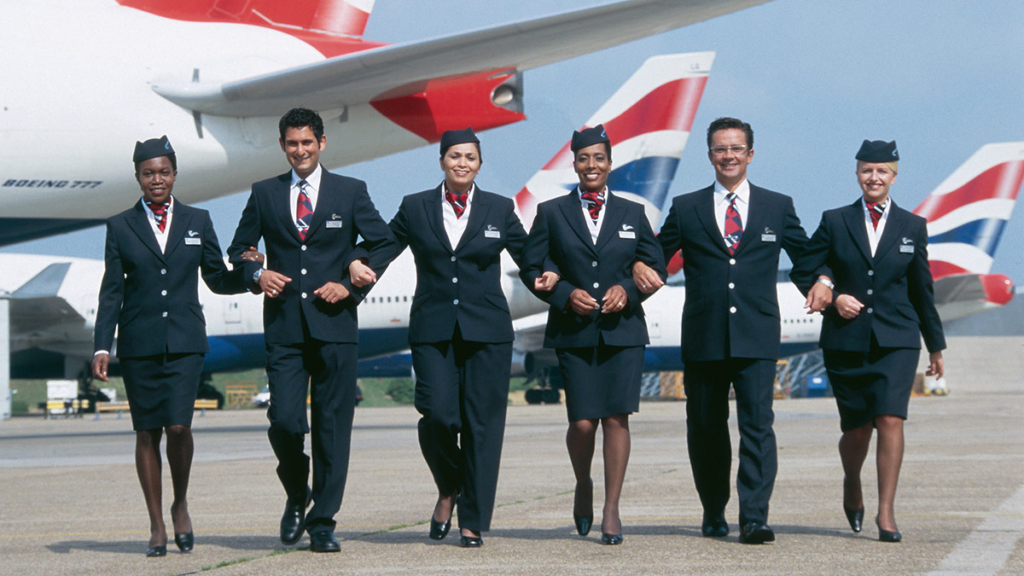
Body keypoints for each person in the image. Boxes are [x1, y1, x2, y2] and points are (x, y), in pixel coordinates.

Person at [350, 127, 555, 547]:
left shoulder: (499, 208)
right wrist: (357, 262)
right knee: (438, 416)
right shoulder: (416, 206)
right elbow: (384, 245)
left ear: (479, 164)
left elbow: (529, 258)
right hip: (433, 330)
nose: (462, 163)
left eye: (471, 157)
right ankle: (449, 486)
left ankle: (472, 520)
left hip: (489, 332)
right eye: (455, 156)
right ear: (442, 160)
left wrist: (551, 280)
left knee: (483, 426)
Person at [632, 117, 832, 544]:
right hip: (704, 336)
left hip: (757, 336)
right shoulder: (687, 208)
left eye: (736, 148)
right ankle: (713, 509)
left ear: (750, 155)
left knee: (758, 426)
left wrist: (823, 281)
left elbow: (806, 255)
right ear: (710, 156)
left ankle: (754, 517)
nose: (728, 156)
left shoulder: (777, 206)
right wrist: (636, 265)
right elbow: (655, 253)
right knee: (705, 428)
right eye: (720, 149)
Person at [227, 108, 396, 553]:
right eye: (291, 143)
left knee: (332, 429)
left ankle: (322, 522)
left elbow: (384, 242)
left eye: (306, 142)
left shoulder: (350, 192)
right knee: (284, 421)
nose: (299, 151)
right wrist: (256, 275)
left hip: (336, 327)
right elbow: (240, 249)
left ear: (322, 143)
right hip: (283, 326)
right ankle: (298, 492)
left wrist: (350, 281)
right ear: (282, 146)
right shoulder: (264, 193)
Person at [92, 136, 247, 557]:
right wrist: (102, 346)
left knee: (179, 427)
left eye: (163, 172)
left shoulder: (199, 220)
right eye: (148, 173)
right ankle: (157, 522)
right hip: (140, 344)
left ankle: (180, 503)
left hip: (185, 342)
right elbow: (111, 293)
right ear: (138, 177)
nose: (156, 179)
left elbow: (216, 276)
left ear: (174, 174)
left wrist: (250, 276)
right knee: (147, 431)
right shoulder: (120, 225)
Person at [791, 140, 945, 542]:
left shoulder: (913, 226)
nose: (874, 178)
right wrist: (831, 292)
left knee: (891, 418)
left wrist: (936, 345)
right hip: (846, 339)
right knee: (858, 428)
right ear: (857, 174)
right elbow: (804, 266)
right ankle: (852, 481)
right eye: (867, 170)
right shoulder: (835, 220)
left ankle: (887, 512)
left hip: (898, 338)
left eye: (882, 171)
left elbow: (921, 289)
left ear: (894, 176)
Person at [520, 125, 666, 545]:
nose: (591, 166)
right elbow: (532, 269)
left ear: (610, 163)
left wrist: (631, 289)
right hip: (574, 331)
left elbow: (655, 266)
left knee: (616, 418)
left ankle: (611, 508)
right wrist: (564, 295)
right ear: (575, 163)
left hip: (623, 333)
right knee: (583, 423)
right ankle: (583, 483)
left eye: (599, 158)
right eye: (583, 159)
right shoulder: (551, 213)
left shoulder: (633, 213)